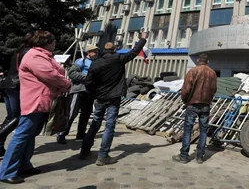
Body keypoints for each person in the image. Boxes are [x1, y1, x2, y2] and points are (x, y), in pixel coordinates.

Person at [0, 30, 71, 184]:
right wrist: (66, 83)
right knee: (21, 135)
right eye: (53, 41)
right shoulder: (35, 56)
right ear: (46, 42)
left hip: (42, 101)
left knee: (29, 135)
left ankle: (24, 165)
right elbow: (49, 75)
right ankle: (6, 171)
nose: (55, 43)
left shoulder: (42, 55)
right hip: (35, 101)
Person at [80, 32, 148, 166]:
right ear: (115, 49)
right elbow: (134, 52)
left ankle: (84, 151)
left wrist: (95, 93)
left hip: (100, 97)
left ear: (103, 50)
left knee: (95, 123)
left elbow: (88, 82)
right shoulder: (118, 58)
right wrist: (143, 39)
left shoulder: (95, 63)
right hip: (114, 97)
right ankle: (103, 156)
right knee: (109, 126)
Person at [172, 53, 217, 164]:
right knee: (203, 131)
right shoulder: (212, 73)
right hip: (205, 105)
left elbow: (186, 90)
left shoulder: (192, 71)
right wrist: (208, 100)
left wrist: (185, 101)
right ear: (208, 61)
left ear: (197, 60)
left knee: (188, 130)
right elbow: (214, 89)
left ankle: (184, 156)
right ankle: (200, 157)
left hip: (192, 104)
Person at [56, 46, 99, 144]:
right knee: (72, 113)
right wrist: (87, 78)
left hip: (90, 92)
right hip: (79, 90)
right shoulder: (81, 61)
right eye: (94, 51)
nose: (96, 53)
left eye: (97, 51)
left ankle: (81, 134)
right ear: (89, 52)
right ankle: (62, 133)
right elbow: (72, 73)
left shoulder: (96, 63)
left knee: (86, 114)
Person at [0, 32, 33, 157]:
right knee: (16, 118)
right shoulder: (28, 52)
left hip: (7, 85)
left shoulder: (18, 50)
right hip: (15, 86)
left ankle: (0, 145)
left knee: (10, 117)